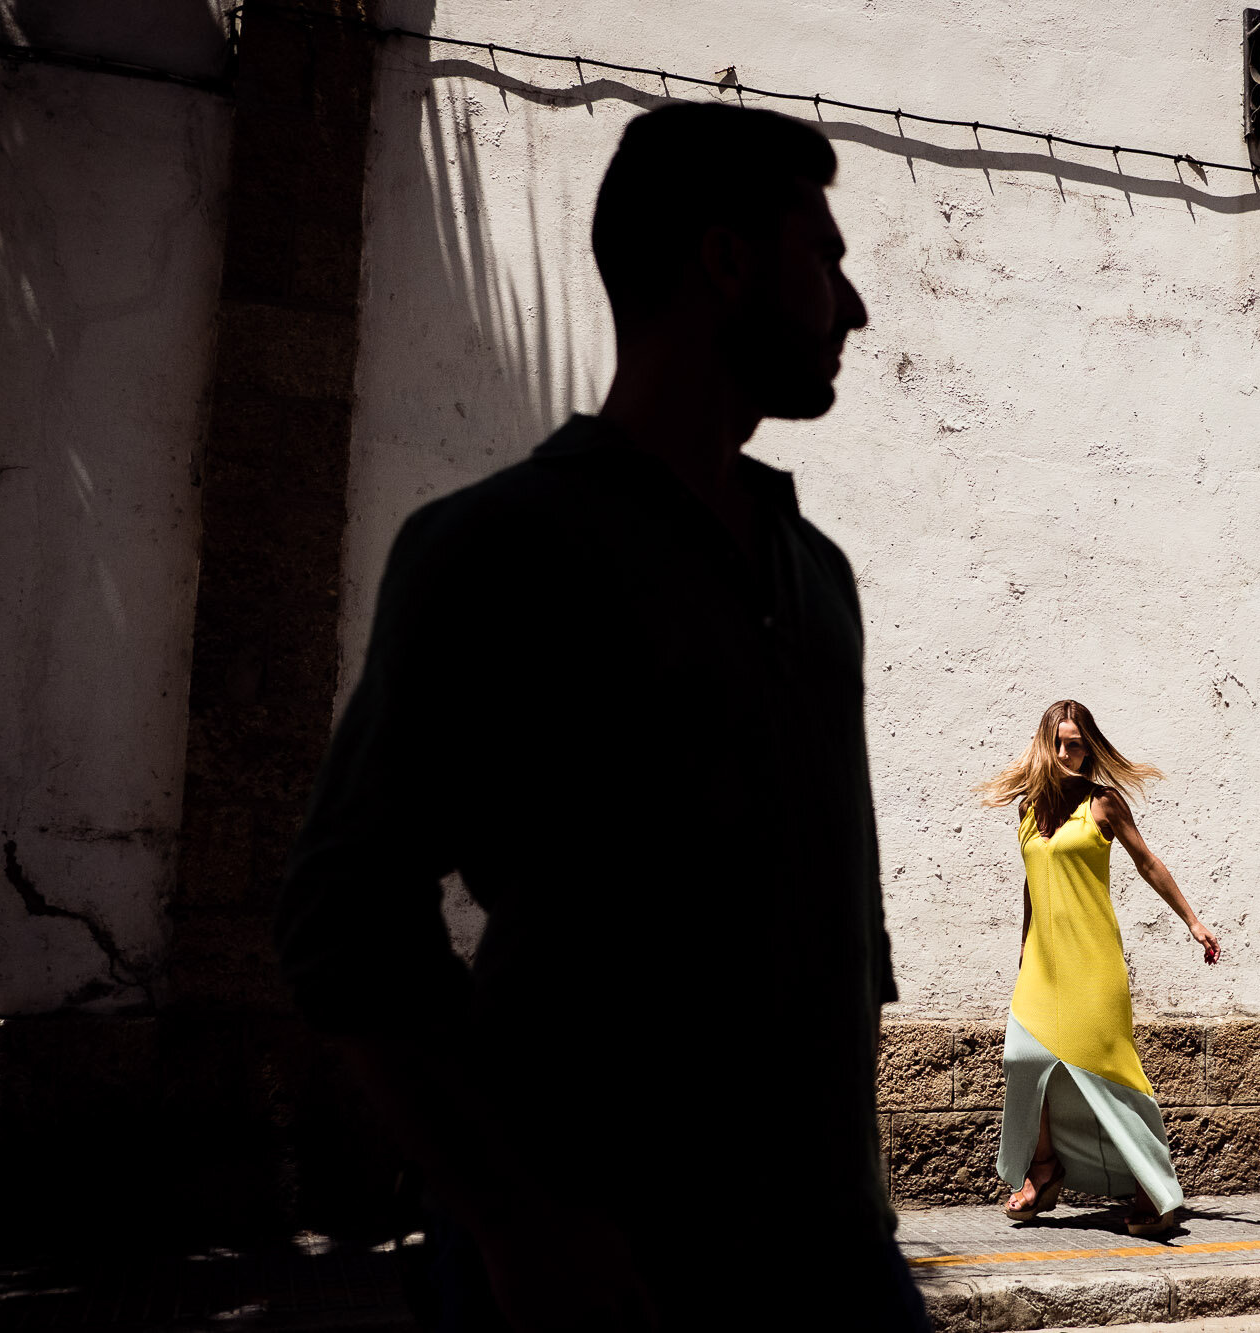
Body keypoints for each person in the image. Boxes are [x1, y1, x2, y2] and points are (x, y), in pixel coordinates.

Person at [275, 103, 926, 1331]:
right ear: (724, 261)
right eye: (823, 258)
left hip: (836, 1260)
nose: (852, 307)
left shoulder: (816, 574)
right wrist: (517, 1224)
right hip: (609, 1273)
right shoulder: (502, 547)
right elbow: (344, 917)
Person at [977, 700, 1218, 1237]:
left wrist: (1192, 922)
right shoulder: (1027, 811)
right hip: (1041, 962)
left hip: (1093, 963)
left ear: (1090, 747)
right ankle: (1045, 1169)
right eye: (1059, 742)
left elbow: (1148, 863)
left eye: (1078, 743)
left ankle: (1153, 1194)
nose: (1067, 752)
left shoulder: (1103, 805)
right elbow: (1031, 888)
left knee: (1110, 1077)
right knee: (1022, 1056)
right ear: (1045, 744)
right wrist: (1023, 951)